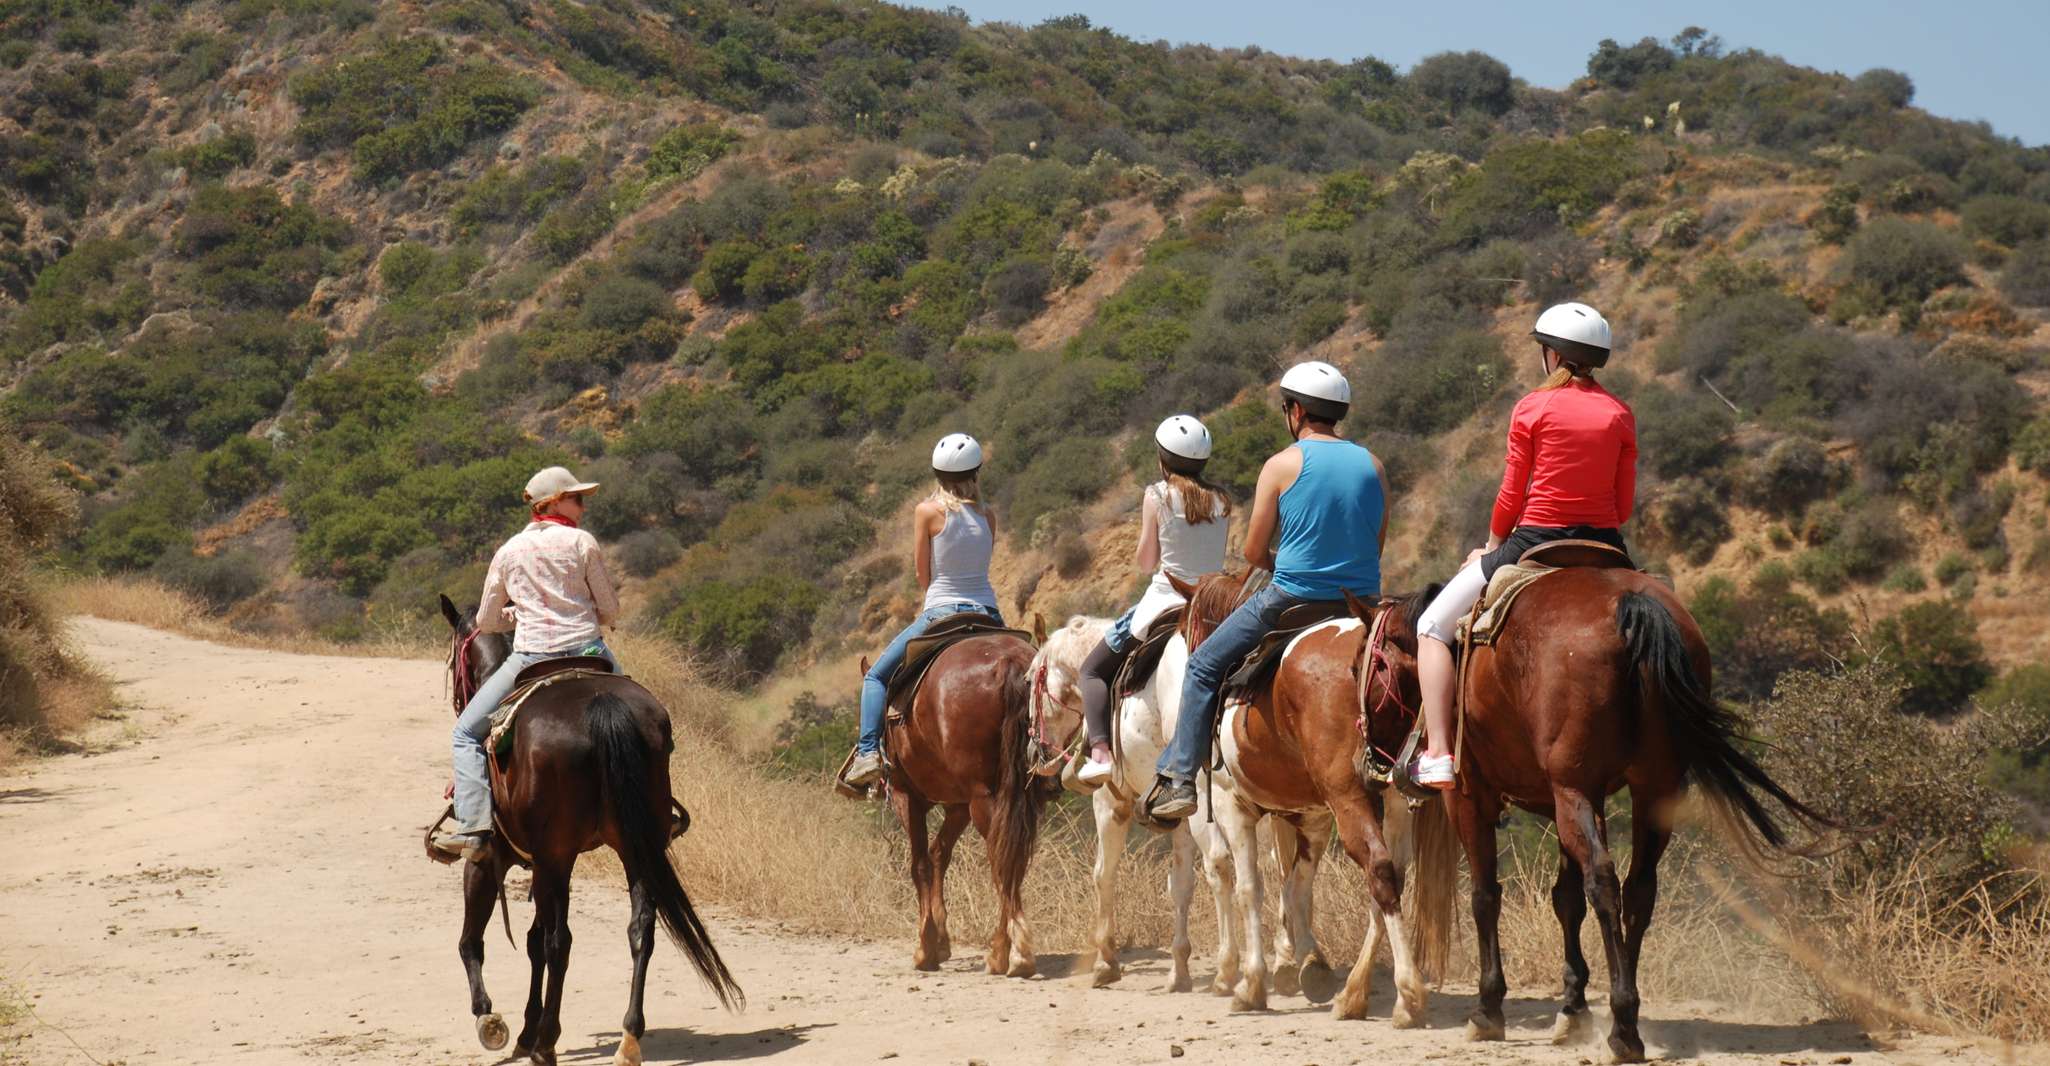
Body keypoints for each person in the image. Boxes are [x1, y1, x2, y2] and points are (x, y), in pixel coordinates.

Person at [1409, 302, 1637, 789]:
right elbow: (1622, 507)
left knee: (1431, 627)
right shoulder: (1620, 413)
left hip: (1535, 539)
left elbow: (1512, 493)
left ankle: (1438, 753)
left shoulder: (1533, 407)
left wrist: (1491, 546)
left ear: (1551, 355)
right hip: (1605, 542)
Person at [1147, 362, 1388, 821]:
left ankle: (1179, 779)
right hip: (1361, 604)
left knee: (1201, 666)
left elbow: (1255, 550)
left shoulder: (1282, 464)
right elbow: (1375, 544)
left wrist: (1287, 562)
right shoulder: (1373, 465)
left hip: (1292, 599)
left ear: (1295, 411)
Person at [431, 466, 622, 861]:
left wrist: (516, 617)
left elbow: (485, 622)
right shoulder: (583, 541)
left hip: (531, 659)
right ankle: (660, 810)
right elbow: (609, 610)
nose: (583, 508)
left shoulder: (508, 551)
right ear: (552, 502)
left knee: (466, 735)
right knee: (645, 719)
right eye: (577, 499)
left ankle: (475, 830)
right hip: (590, 653)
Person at [1074, 416, 1233, 788]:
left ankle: (1099, 752)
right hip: (1213, 605)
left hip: (1165, 601)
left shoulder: (1157, 495)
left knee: (1092, 671)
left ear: (1163, 460)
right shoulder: (1223, 501)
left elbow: (1147, 563)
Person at [844, 434, 1004, 787]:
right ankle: (1038, 752)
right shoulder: (988, 516)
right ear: (977, 472)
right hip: (989, 614)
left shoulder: (927, 512)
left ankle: (868, 753)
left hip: (942, 612)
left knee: (875, 678)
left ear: (937, 475)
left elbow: (922, 575)